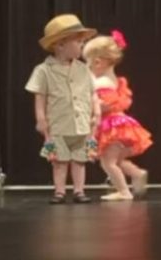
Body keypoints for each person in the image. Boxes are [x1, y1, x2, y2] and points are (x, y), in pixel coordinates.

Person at [25, 14, 100, 204]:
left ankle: (79, 190)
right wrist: (41, 118)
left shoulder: (83, 69)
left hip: (81, 123)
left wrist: (96, 111)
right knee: (59, 161)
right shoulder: (44, 70)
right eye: (78, 41)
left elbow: (92, 92)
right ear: (60, 45)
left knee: (79, 160)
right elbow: (40, 97)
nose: (82, 45)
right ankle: (59, 191)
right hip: (58, 124)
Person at [83, 30, 152, 201]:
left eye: (88, 64)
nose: (87, 69)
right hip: (120, 125)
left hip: (112, 127)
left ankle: (124, 191)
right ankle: (137, 173)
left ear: (98, 63)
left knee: (108, 162)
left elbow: (104, 105)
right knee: (117, 160)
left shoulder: (101, 83)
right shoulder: (114, 80)